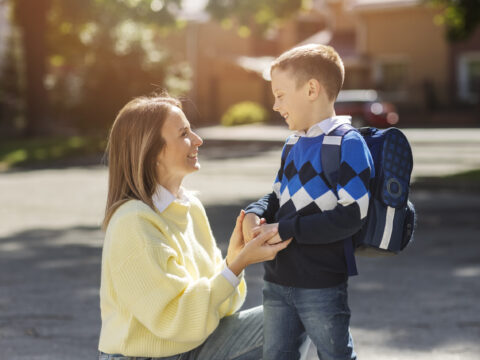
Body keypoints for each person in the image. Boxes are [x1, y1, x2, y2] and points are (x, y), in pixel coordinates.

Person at [98, 94, 291, 360]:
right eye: (184, 133)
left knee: (294, 316)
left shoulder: (190, 207)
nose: (198, 140)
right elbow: (174, 319)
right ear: (153, 151)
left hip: (192, 346)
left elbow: (222, 309)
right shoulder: (133, 222)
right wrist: (236, 267)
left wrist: (232, 262)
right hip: (147, 356)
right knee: (289, 321)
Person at [242, 44, 375, 360]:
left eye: (281, 95)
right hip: (277, 281)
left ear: (312, 89)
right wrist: (255, 211)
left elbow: (351, 215)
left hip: (321, 285)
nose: (275, 105)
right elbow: (277, 195)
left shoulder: (347, 143)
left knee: (335, 355)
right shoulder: (292, 144)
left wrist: (284, 228)